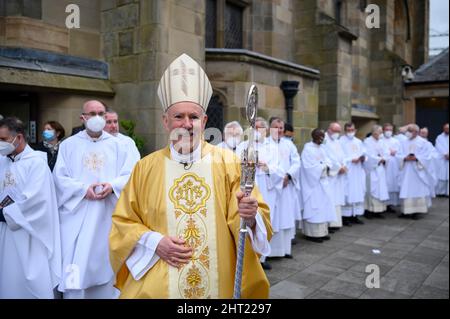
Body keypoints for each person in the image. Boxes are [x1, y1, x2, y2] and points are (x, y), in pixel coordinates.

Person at [109, 53, 272, 299]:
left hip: (220, 283)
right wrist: (155, 243)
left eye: (193, 117)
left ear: (204, 121)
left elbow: (249, 217)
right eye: (178, 116)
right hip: (161, 277)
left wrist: (250, 218)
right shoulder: (145, 168)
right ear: (166, 122)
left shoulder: (229, 163)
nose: (186, 124)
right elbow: (124, 222)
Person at [53, 100, 135, 299]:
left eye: (100, 113)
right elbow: (59, 178)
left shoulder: (118, 145)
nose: (97, 117)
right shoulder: (68, 145)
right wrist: (82, 190)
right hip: (78, 216)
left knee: (108, 263)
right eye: (92, 113)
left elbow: (132, 174)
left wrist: (113, 185)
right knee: (77, 265)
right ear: (83, 118)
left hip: (109, 215)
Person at [0, 117, 61, 298]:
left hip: (29, 234)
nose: (0, 144)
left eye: (3, 139)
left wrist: (5, 212)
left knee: (28, 283)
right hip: (4, 232)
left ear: (18, 138)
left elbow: (35, 201)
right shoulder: (2, 160)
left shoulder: (36, 163)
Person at [237, 117, 284, 270]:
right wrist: (246, 163)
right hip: (248, 189)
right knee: (249, 221)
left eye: (260, 128)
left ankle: (262, 257)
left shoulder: (273, 147)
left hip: (267, 188)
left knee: (263, 219)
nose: (257, 131)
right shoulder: (243, 145)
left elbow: (279, 169)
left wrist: (266, 167)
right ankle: (248, 257)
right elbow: (234, 166)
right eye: (254, 128)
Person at [267, 117, 301, 257]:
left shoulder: (288, 145)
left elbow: (296, 161)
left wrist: (289, 175)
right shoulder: (265, 144)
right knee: (273, 220)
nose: (279, 130)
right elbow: (266, 165)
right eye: (276, 127)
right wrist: (279, 178)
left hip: (286, 188)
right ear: (270, 128)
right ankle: (269, 253)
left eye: (281, 128)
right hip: (271, 188)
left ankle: (285, 250)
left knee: (286, 218)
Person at [300, 129, 336, 243]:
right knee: (314, 208)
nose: (322, 138)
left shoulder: (323, 148)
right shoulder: (307, 149)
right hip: (313, 185)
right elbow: (308, 168)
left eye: (323, 136)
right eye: (320, 136)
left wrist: (325, 166)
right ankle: (312, 234)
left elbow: (329, 161)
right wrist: (322, 167)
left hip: (323, 183)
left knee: (323, 208)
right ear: (314, 136)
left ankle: (322, 232)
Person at [397, 124, 435, 219]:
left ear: (417, 132)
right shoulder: (403, 142)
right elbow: (398, 154)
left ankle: (417, 211)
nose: (408, 132)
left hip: (418, 172)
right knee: (406, 189)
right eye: (408, 130)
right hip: (406, 170)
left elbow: (428, 157)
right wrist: (404, 158)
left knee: (417, 190)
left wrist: (417, 158)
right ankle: (406, 211)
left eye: (411, 131)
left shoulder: (423, 142)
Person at [339, 123, 366, 226]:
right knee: (348, 192)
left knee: (357, 192)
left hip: (357, 171)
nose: (350, 132)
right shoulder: (341, 141)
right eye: (348, 130)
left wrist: (363, 158)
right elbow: (340, 157)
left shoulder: (358, 141)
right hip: (348, 171)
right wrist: (351, 160)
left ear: (355, 129)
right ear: (345, 130)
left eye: (352, 130)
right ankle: (346, 217)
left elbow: (364, 153)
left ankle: (355, 215)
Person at [323, 122, 346, 232]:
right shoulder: (324, 140)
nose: (337, 133)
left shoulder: (337, 142)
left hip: (338, 176)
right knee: (329, 199)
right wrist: (338, 168)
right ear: (329, 129)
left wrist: (344, 165)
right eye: (335, 131)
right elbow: (328, 157)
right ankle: (329, 223)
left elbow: (343, 155)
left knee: (337, 199)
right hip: (330, 176)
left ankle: (335, 223)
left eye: (338, 131)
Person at [363, 125, 389, 219]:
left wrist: (384, 158)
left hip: (381, 169)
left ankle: (378, 210)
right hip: (372, 169)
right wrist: (378, 159)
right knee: (371, 189)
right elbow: (368, 155)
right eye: (380, 132)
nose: (382, 134)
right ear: (374, 132)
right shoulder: (367, 141)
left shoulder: (382, 142)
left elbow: (387, 153)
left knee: (380, 189)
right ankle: (369, 210)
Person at [382, 123, 401, 211]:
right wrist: (388, 153)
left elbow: (400, 153)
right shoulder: (380, 140)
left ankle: (390, 204)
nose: (388, 132)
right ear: (383, 130)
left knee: (392, 183)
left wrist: (395, 152)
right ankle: (383, 204)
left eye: (390, 130)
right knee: (384, 184)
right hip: (384, 165)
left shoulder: (396, 141)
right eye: (387, 130)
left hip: (393, 166)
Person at [435, 123, 449, 197]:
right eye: (446, 128)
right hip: (442, 158)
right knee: (442, 177)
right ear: (443, 129)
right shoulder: (439, 137)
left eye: (448, 128)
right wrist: (445, 154)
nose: (447, 130)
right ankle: (440, 192)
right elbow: (438, 146)